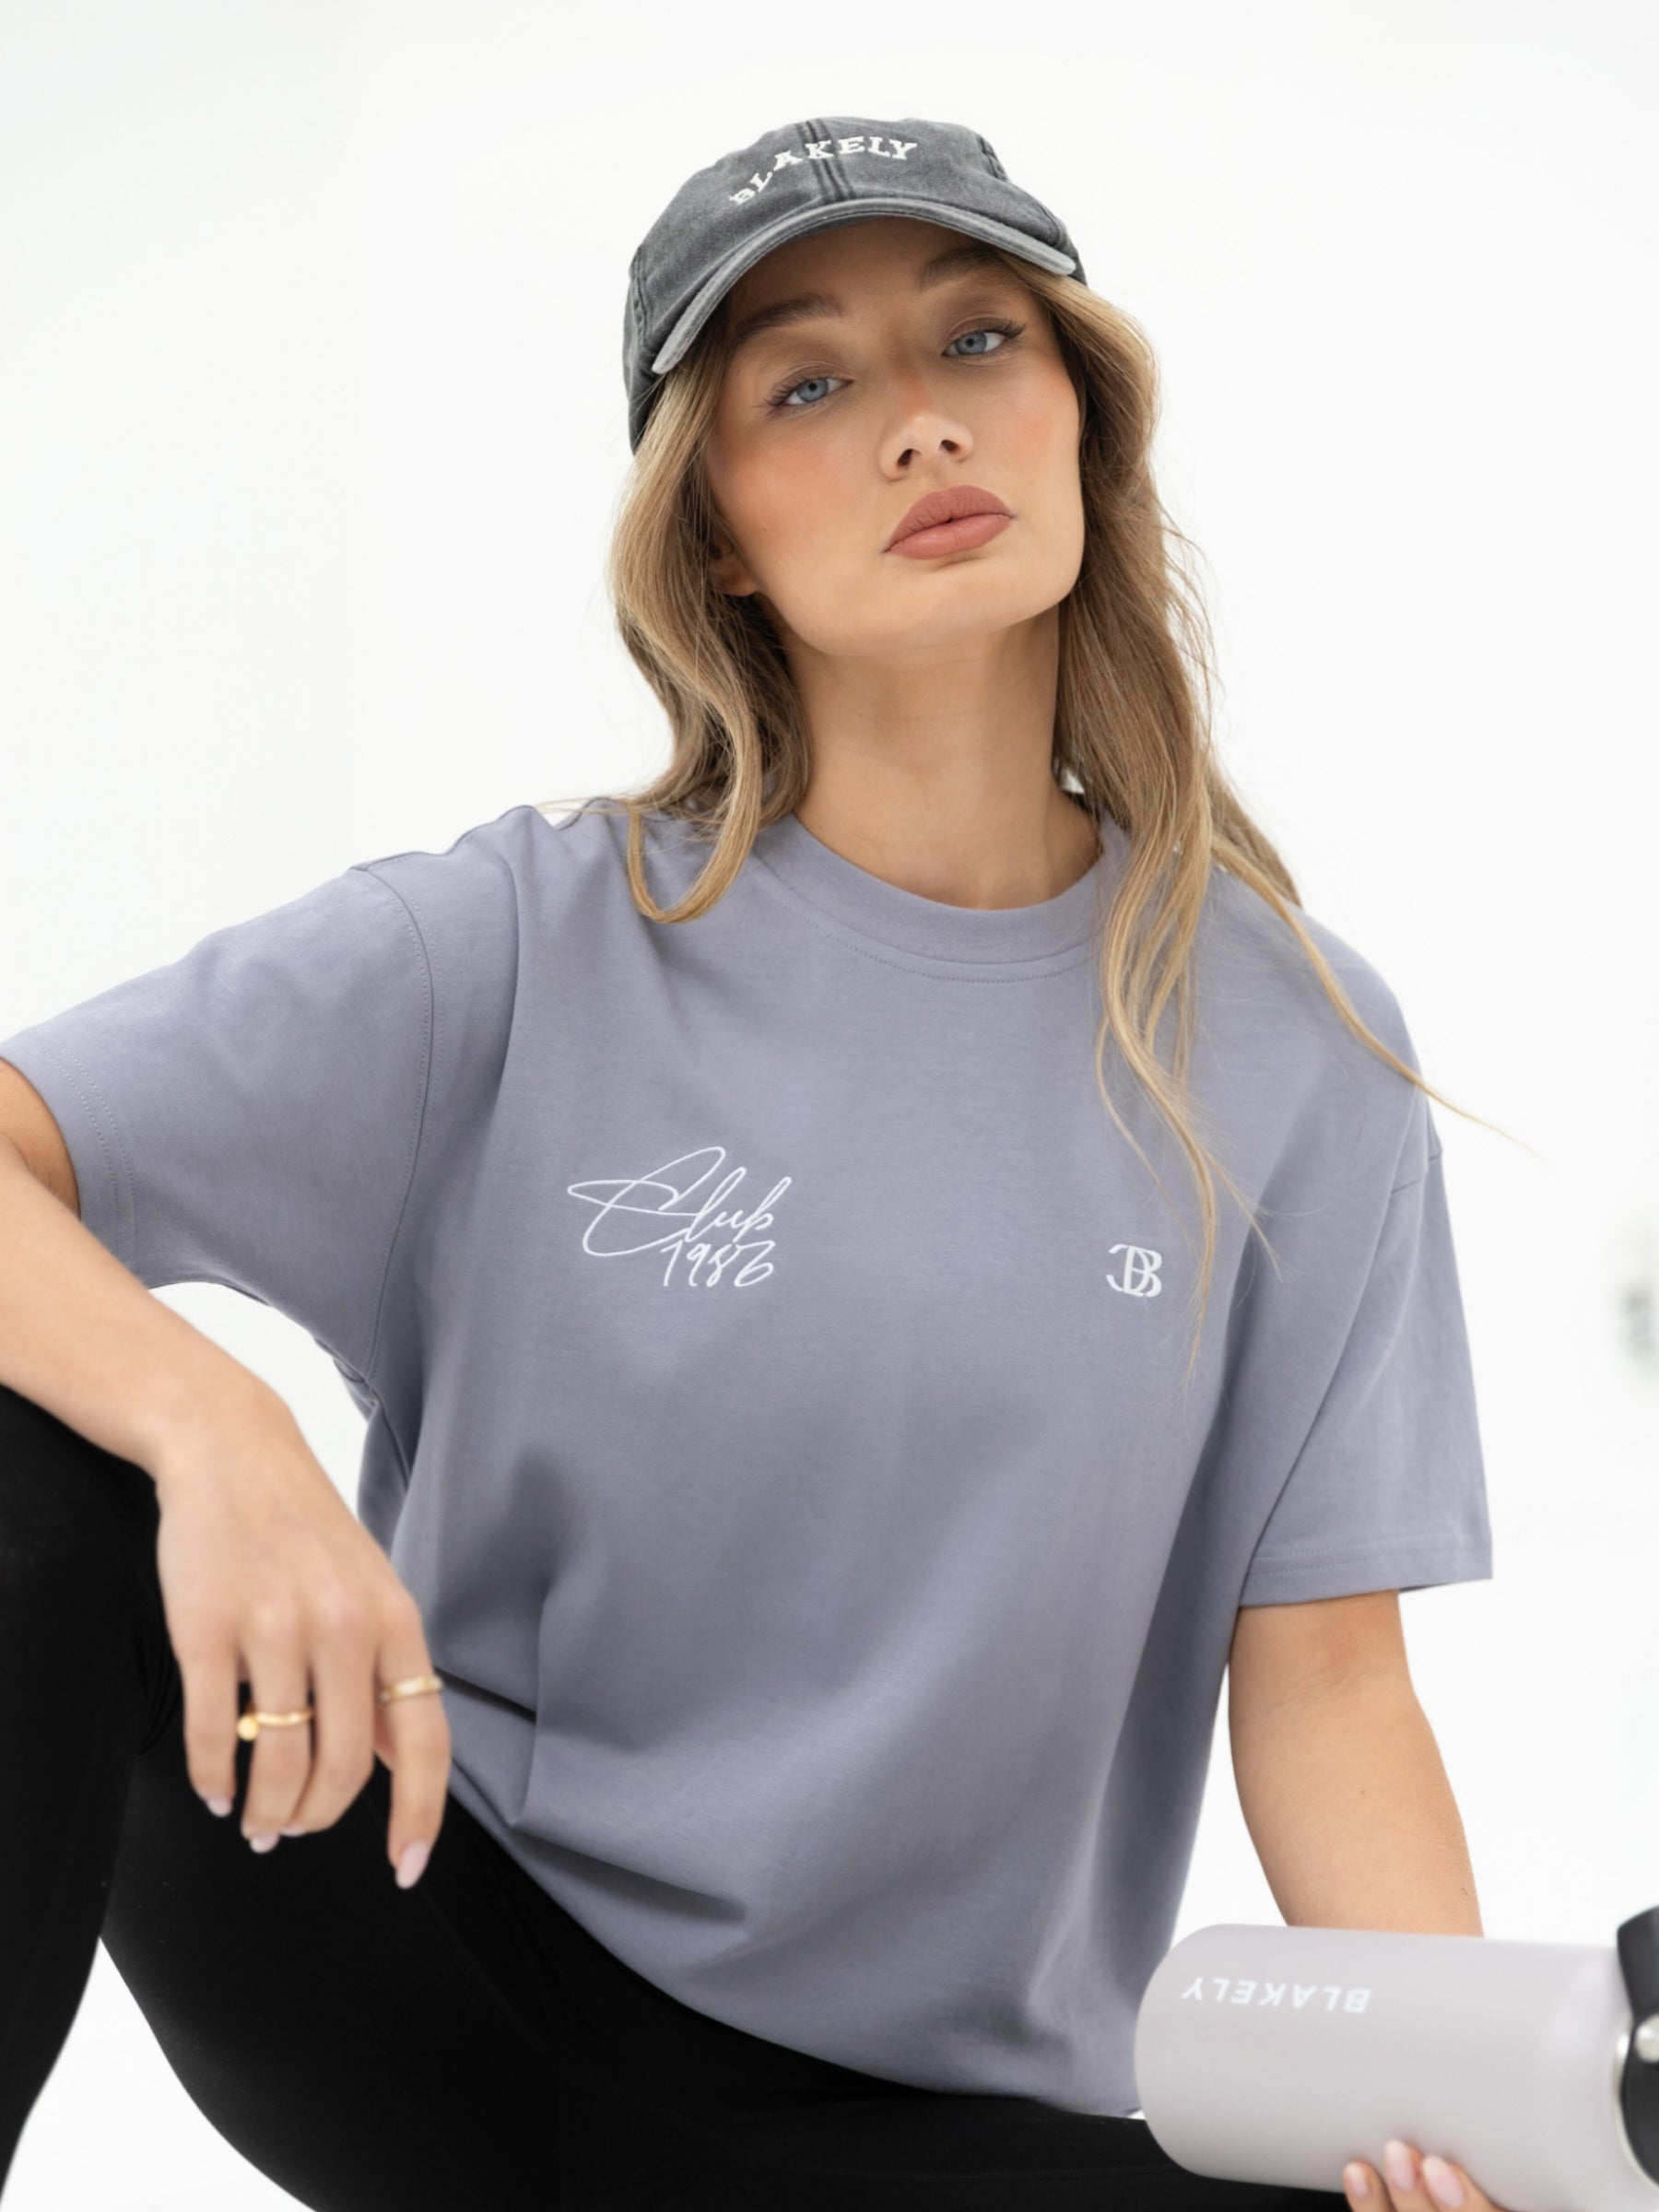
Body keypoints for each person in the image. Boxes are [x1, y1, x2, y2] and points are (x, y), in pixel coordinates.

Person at [0, 113, 1499, 2210]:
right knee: (34, 1457)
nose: (921, 422)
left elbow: (1332, 1688)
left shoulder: (1292, 1048)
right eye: (808, 383)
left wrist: (1456, 2107)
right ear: (712, 531)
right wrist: (214, 1426)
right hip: (434, 1964)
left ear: (1082, 418)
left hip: (914, 2129)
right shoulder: (513, 946)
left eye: (978, 340)